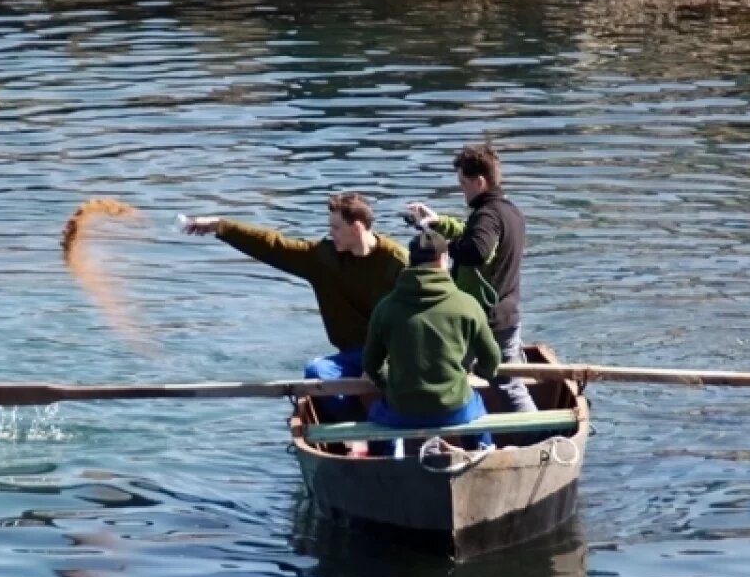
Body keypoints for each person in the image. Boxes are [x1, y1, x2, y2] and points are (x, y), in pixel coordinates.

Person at [182, 193, 408, 421]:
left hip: (396, 354)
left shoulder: (397, 262)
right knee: (316, 372)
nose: (331, 233)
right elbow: (274, 245)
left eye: (336, 228)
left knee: (394, 380)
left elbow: (414, 321)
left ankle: (386, 416)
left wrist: (380, 364)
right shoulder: (323, 258)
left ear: (357, 228)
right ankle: (355, 424)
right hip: (353, 354)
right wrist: (220, 226)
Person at [405, 143, 538, 413]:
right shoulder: (509, 211)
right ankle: (541, 433)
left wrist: (442, 247)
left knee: (444, 376)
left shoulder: (487, 215)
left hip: (481, 320)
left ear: (479, 182)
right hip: (507, 314)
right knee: (509, 383)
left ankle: (444, 427)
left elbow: (477, 250)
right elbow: (472, 233)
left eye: (463, 184)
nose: (462, 190)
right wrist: (438, 223)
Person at [362, 229, 502, 452]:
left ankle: (385, 462)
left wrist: (390, 383)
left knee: (377, 416)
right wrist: (481, 372)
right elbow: (492, 358)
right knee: (476, 409)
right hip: (453, 408)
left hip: (402, 409)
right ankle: (480, 455)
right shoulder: (467, 304)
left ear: (411, 261)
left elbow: (371, 364)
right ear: (444, 258)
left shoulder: (385, 308)